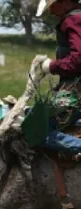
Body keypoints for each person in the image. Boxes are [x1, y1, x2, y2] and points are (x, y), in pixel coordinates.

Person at [34, 0, 81, 155]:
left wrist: (51, 66)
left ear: (66, 2)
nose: (52, 12)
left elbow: (77, 60)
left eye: (53, 6)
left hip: (76, 92)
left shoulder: (73, 21)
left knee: (37, 129)